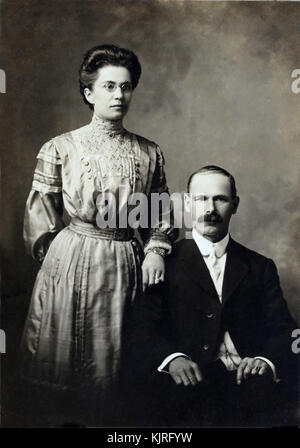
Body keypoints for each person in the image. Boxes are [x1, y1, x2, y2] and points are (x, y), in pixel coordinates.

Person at [21, 44, 178, 426]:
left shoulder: (148, 152)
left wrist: (156, 249)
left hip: (126, 259)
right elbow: (40, 219)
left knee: (118, 371)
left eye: (125, 87)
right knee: (65, 370)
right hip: (71, 260)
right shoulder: (60, 148)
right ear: (89, 93)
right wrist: (59, 266)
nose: (119, 95)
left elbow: (160, 213)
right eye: (108, 86)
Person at [128, 165, 298, 427]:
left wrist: (265, 361)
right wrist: (173, 359)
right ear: (186, 204)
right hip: (186, 385)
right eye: (200, 199)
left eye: (220, 199)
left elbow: (285, 329)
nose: (210, 209)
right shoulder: (165, 263)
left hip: (249, 386)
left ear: (235, 205)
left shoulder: (259, 265)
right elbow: (141, 329)